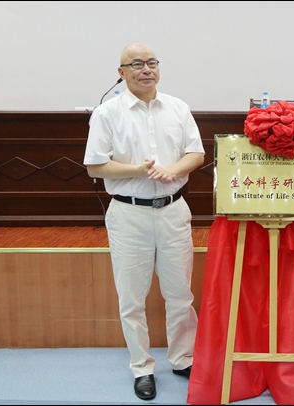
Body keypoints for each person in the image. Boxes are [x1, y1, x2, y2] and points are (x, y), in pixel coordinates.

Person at [83, 42, 204, 401]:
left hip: (173, 210)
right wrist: (137, 170)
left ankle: (182, 359)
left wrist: (172, 171)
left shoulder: (178, 107)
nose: (146, 69)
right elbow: (95, 166)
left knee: (180, 294)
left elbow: (196, 153)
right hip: (128, 213)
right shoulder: (106, 113)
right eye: (136, 64)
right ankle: (142, 367)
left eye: (152, 62)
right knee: (132, 298)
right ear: (121, 73)